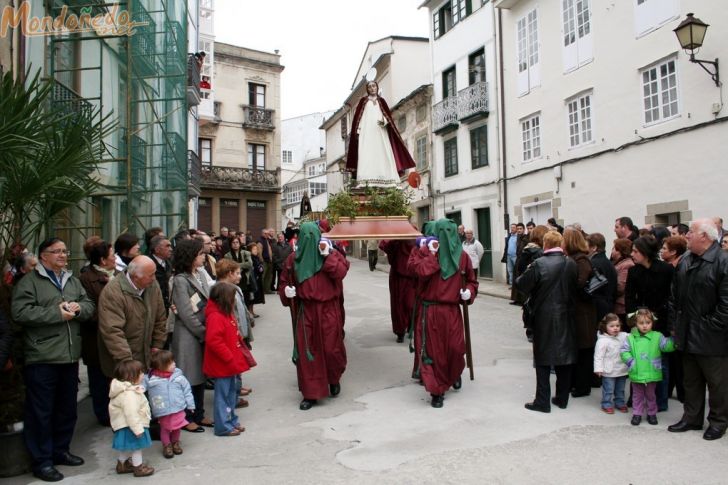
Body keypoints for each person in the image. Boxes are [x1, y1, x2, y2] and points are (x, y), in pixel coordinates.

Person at [11, 237, 94, 482]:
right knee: (41, 412)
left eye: (64, 251)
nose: (62, 255)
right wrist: (56, 313)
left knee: (66, 408)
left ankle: (60, 450)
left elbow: (89, 305)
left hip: (69, 356)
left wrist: (79, 308)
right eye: (56, 251)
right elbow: (21, 312)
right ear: (43, 255)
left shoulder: (72, 280)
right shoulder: (29, 282)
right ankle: (42, 461)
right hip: (42, 356)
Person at [407, 219, 478, 408]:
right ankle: (436, 391)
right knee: (433, 353)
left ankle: (453, 373)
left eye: (450, 231)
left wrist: (469, 291)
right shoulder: (424, 252)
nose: (446, 236)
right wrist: (431, 254)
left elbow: (471, 280)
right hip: (429, 310)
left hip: (452, 310)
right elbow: (417, 271)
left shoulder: (462, 257)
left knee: (455, 349)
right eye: (442, 231)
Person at [668, 218, 728, 441]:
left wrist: (709, 326)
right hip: (686, 332)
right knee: (690, 380)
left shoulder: (723, 262)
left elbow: (726, 304)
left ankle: (718, 422)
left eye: (691, 232)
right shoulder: (685, 260)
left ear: (704, 236)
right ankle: (691, 418)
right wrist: (675, 325)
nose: (687, 235)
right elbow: (674, 296)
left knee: (717, 383)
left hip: (713, 337)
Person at [279, 222, 350, 410]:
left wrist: (328, 256)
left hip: (328, 310)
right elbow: (284, 281)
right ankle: (311, 393)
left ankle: (333, 379)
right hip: (307, 311)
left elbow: (341, 272)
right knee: (308, 352)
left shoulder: (331, 254)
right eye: (306, 236)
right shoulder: (293, 259)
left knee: (331, 349)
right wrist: (286, 291)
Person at [515, 230, 577, 412]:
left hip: (544, 314)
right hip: (566, 314)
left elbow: (521, 284)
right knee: (564, 357)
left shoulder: (539, 264)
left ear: (545, 244)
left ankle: (542, 401)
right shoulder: (570, 263)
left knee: (542, 358)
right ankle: (562, 398)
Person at [625, 235, 674, 411]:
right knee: (637, 359)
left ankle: (660, 401)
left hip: (660, 322)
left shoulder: (666, 270)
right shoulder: (634, 271)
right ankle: (635, 398)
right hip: (639, 321)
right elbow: (629, 297)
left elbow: (671, 296)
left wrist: (661, 316)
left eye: (636, 251)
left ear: (645, 253)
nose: (632, 254)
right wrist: (634, 319)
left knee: (661, 363)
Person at [97, 256, 167, 377]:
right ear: (135, 277)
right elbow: (112, 331)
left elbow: (160, 318)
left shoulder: (152, 286)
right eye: (151, 275)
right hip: (123, 364)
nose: (154, 278)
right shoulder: (113, 292)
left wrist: (157, 345)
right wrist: (127, 362)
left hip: (146, 357)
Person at [170, 239, 213, 432]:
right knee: (189, 376)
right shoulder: (180, 280)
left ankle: (200, 414)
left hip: (201, 331)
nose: (203, 256)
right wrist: (203, 332)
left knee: (200, 375)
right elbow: (186, 313)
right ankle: (188, 417)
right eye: (200, 254)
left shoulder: (200, 275)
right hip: (189, 334)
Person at [203, 282, 253, 436]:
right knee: (223, 396)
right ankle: (223, 425)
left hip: (229, 364)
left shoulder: (224, 313)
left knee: (231, 395)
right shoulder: (216, 316)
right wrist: (229, 356)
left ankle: (231, 420)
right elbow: (214, 341)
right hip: (223, 364)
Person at [345, 80, 416, 186]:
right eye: (370, 87)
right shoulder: (363, 101)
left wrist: (384, 120)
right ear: (367, 90)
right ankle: (366, 179)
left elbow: (388, 117)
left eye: (374, 86)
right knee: (367, 152)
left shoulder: (381, 101)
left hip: (380, 131)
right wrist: (358, 130)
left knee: (383, 151)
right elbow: (358, 118)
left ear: (377, 87)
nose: (372, 88)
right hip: (367, 133)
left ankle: (387, 178)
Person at [79, 237, 118, 427]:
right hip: (96, 337)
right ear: (102, 260)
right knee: (98, 377)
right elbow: (88, 310)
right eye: (112, 255)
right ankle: (103, 414)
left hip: (117, 333)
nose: (115, 258)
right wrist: (111, 319)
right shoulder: (86, 278)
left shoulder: (117, 274)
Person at [621, 309, 675, 426]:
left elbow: (666, 346)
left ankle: (652, 413)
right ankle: (637, 413)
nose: (645, 326)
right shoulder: (630, 338)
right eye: (641, 323)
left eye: (648, 323)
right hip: (637, 372)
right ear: (636, 323)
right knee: (637, 395)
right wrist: (631, 361)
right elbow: (624, 351)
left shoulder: (657, 336)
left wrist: (674, 339)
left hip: (652, 372)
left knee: (651, 395)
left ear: (652, 323)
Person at [562, 228, 597, 398]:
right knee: (577, 350)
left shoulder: (581, 261)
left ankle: (583, 386)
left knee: (583, 350)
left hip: (583, 313)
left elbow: (579, 284)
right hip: (576, 311)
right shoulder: (574, 259)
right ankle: (576, 383)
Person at [216, 259, 253, 406]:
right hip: (233, 334)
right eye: (237, 273)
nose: (240, 276)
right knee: (233, 366)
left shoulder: (234, 288)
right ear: (229, 273)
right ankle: (234, 397)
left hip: (240, 332)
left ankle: (237, 389)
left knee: (239, 363)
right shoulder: (223, 291)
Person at [108, 360, 154, 477]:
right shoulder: (129, 394)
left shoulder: (126, 390)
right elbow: (131, 414)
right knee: (137, 448)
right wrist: (138, 429)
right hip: (132, 426)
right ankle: (138, 468)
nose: (143, 374)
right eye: (140, 373)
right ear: (131, 376)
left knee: (124, 447)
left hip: (125, 425)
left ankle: (121, 465)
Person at [145, 350, 194, 459]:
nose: (174, 364)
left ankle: (175, 443)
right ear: (161, 366)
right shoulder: (151, 379)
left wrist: (190, 405)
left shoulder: (178, 376)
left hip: (178, 408)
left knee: (177, 427)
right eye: (170, 363)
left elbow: (187, 391)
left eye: (173, 361)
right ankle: (166, 445)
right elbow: (140, 386)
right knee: (165, 428)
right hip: (163, 409)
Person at [379, 238, 417, 343]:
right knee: (398, 304)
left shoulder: (412, 231)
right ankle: (400, 331)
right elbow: (383, 245)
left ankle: (410, 326)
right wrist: (395, 238)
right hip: (397, 275)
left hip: (411, 276)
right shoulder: (394, 234)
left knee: (411, 304)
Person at [593, 313, 629, 414]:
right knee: (608, 389)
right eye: (612, 326)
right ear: (605, 327)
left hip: (621, 369)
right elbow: (598, 356)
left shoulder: (623, 336)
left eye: (617, 326)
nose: (615, 328)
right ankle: (606, 404)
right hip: (608, 370)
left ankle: (620, 403)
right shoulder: (602, 341)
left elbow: (633, 336)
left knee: (620, 389)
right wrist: (598, 369)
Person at [587, 233, 618, 323]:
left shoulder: (593, 263)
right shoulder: (609, 263)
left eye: (587, 245)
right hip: (609, 304)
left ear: (594, 247)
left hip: (597, 307)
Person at [610, 238, 634, 325]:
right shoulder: (618, 263)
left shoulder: (627, 265)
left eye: (614, 248)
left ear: (619, 251)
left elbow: (620, 287)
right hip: (617, 305)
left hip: (621, 306)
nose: (612, 251)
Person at [149, 235, 173, 313]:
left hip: (168, 307)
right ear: (157, 249)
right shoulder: (147, 264)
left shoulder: (169, 263)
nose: (171, 249)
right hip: (154, 307)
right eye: (167, 246)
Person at [246, 242, 265, 317]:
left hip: (257, 279)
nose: (255, 250)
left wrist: (261, 268)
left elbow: (260, 267)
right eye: (254, 249)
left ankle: (252, 311)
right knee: (251, 296)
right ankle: (250, 312)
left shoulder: (256, 257)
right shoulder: (250, 258)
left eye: (256, 249)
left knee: (253, 297)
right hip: (252, 280)